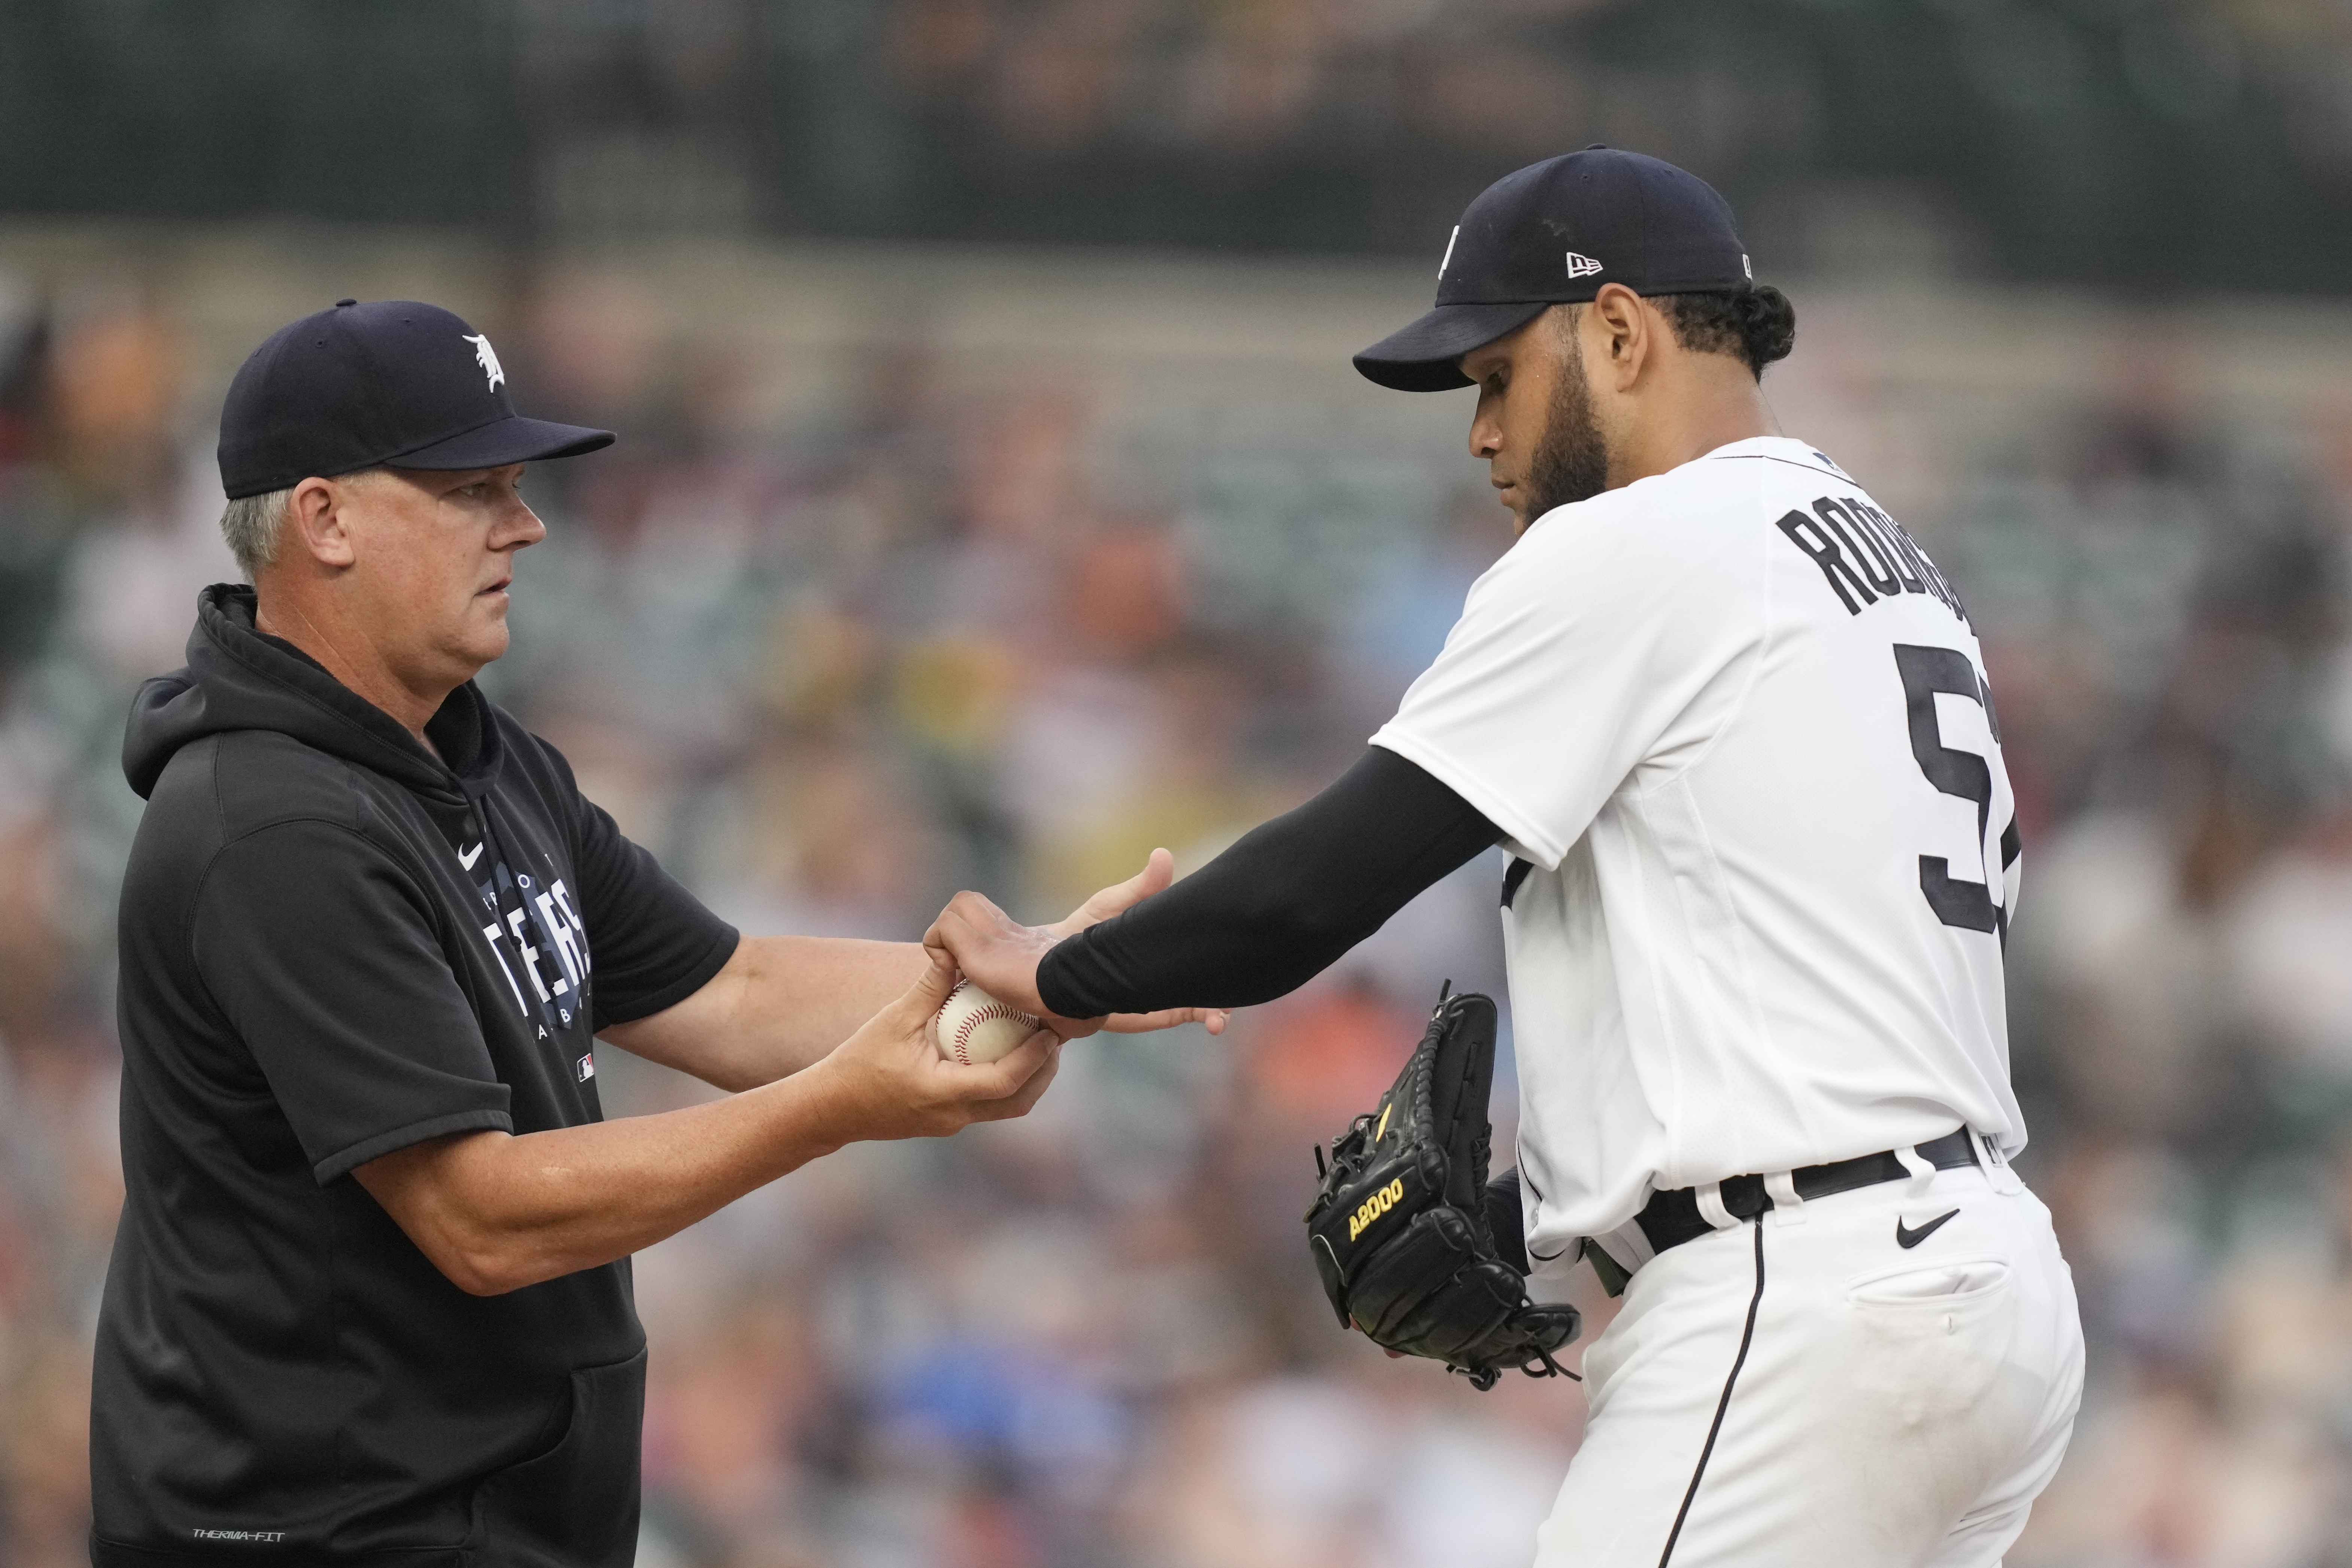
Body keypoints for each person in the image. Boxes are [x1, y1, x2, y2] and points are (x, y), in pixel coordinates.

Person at [925, 149, 2085, 1565]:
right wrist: (1532, 1209)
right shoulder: (1884, 565)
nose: (1478, 433)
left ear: (1618, 332)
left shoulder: (1646, 537)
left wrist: (1058, 969)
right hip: (1979, 1284)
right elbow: (1787, 996)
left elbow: (1313, 887)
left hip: (1805, 1307)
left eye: (1493, 376)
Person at [90, 299, 1208, 1568]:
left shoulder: (474, 753)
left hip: (482, 1509)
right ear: (324, 517)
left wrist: (1060, 972)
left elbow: (728, 988)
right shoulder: (271, 821)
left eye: (515, 485)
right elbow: (481, 1218)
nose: (525, 523)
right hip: (324, 1530)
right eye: (471, 489)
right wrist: (842, 1105)